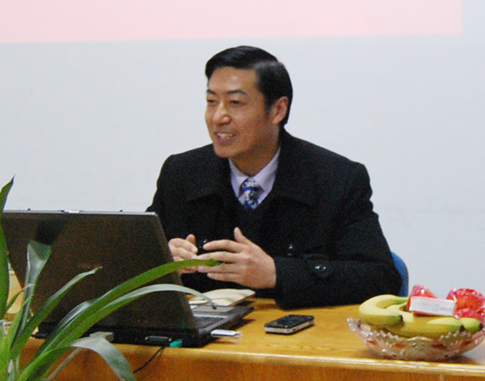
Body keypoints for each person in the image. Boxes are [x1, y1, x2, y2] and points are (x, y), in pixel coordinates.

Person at [148, 46, 401, 309]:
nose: (218, 117)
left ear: (278, 110)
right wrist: (161, 263)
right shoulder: (181, 173)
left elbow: (380, 278)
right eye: (211, 102)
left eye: (235, 103)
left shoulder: (337, 179)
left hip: (299, 332)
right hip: (205, 332)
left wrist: (277, 273)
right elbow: (131, 266)